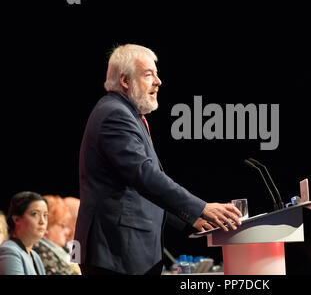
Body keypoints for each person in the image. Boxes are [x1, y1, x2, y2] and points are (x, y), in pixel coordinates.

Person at [75, 44, 242, 275]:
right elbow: (144, 175)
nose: (158, 81)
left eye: (156, 73)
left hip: (124, 250)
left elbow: (141, 185)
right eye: (148, 74)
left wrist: (189, 218)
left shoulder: (127, 113)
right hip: (115, 250)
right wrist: (201, 208)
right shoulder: (115, 114)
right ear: (125, 80)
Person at [0, 192, 47, 275]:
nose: (42, 221)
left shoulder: (35, 256)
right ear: (16, 219)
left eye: (45, 215)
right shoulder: (9, 251)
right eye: (35, 214)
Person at [33, 195, 80, 275]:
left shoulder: (63, 248)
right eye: (63, 225)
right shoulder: (38, 250)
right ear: (47, 224)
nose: (68, 231)